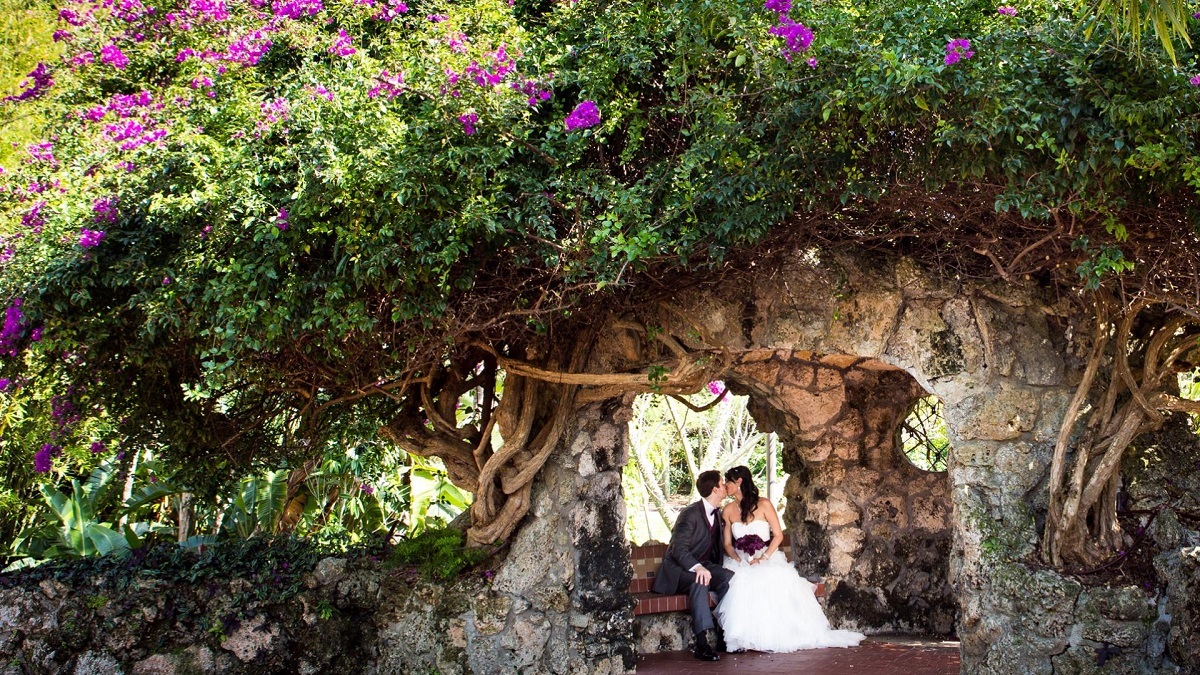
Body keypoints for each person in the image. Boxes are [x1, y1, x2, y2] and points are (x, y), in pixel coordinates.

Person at [714, 465, 866, 653]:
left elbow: (777, 535)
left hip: (765, 557)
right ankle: (742, 638)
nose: (725, 485)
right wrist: (738, 559)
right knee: (738, 583)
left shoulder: (764, 504)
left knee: (770, 581)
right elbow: (728, 544)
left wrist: (763, 557)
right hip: (741, 560)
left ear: (739, 482)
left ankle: (773, 636)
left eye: (727, 481)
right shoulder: (728, 510)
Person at [652, 469, 734, 661]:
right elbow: (677, 549)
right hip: (678, 571)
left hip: (704, 565)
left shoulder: (717, 513)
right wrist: (697, 567)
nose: (724, 487)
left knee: (728, 578)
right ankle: (702, 643)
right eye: (722, 484)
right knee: (700, 580)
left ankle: (724, 635)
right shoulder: (690, 514)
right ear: (715, 489)